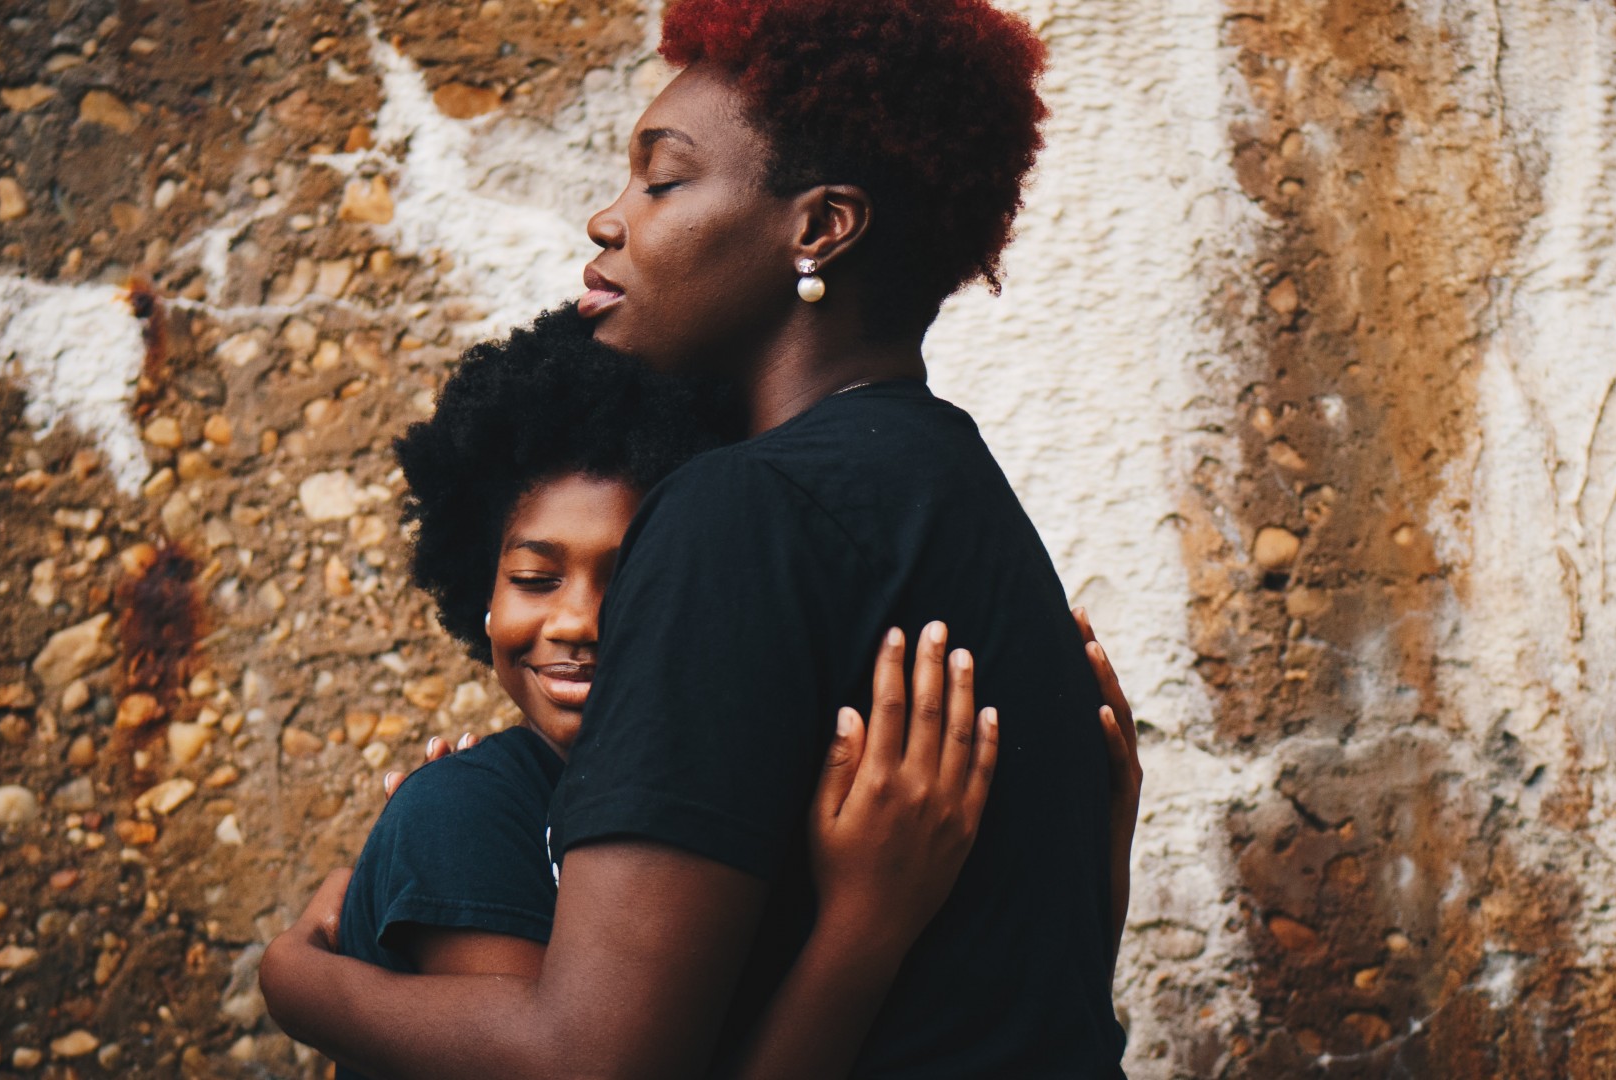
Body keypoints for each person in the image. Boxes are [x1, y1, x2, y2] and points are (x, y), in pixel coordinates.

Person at [260, 1, 1140, 1075]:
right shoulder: (961, 498)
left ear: (820, 228)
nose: (608, 218)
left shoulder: (740, 511)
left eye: (661, 181)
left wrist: (303, 981)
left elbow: (599, 1060)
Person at [335, 305, 1011, 1080]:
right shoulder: (466, 813)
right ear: (479, 594)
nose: (578, 621)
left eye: (633, 580)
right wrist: (864, 928)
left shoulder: (729, 803)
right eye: (533, 579)